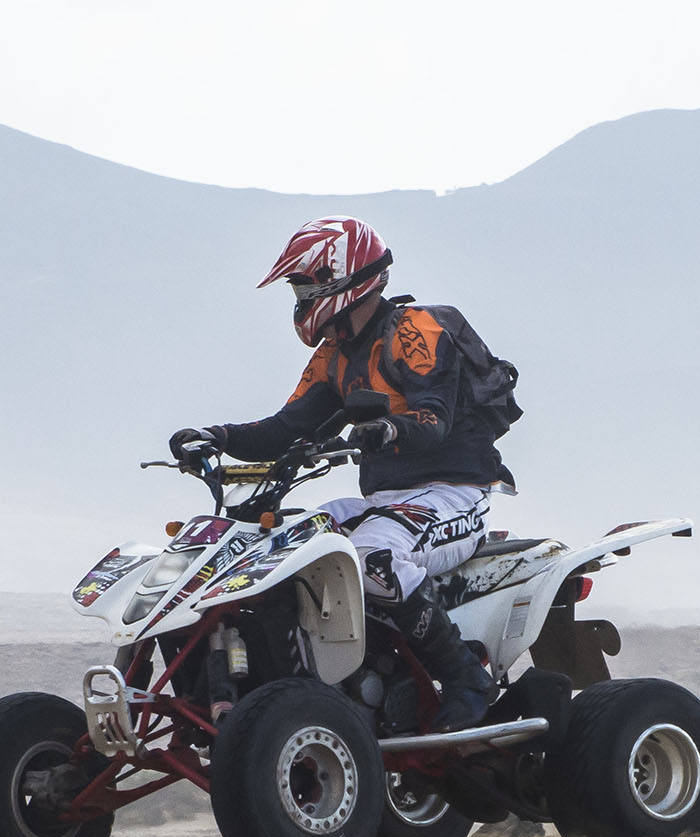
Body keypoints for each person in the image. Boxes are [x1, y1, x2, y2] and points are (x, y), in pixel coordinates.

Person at [169, 216, 520, 731]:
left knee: (372, 557)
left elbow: (433, 417)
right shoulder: (334, 355)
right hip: (386, 500)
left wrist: (387, 431)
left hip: (454, 493)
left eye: (306, 285)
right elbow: (284, 427)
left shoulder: (417, 331)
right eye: (298, 287)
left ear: (344, 279)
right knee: (286, 550)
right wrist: (216, 436)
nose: (300, 298)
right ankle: (298, 689)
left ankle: (467, 680)